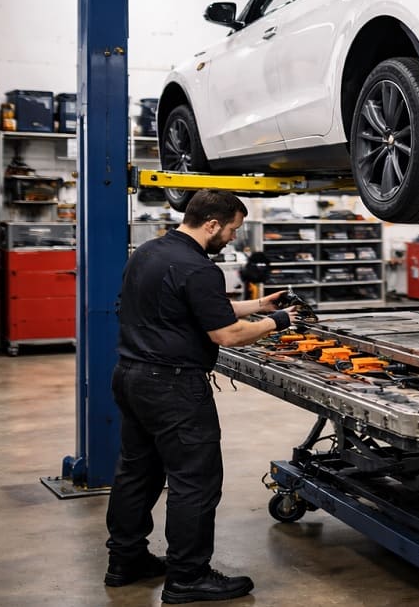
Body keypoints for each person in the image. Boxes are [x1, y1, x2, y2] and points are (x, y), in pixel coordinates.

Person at [104, 189, 297, 603]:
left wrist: (260, 304)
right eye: (231, 229)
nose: (232, 238)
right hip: (174, 387)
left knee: (137, 473)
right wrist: (277, 322)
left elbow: (197, 307)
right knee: (195, 482)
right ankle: (187, 577)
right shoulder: (199, 268)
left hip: (132, 376)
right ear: (212, 224)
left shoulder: (149, 252)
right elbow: (225, 334)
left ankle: (126, 561)